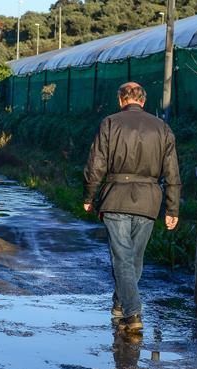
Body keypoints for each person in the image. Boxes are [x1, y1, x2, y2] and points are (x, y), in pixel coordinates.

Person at [83, 82, 181, 333]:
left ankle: (133, 311)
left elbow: (97, 164)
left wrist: (89, 195)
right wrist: (172, 208)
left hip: (116, 197)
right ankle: (120, 305)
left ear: (120, 100)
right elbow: (172, 172)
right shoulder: (163, 128)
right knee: (134, 259)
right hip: (149, 200)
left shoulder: (110, 123)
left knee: (123, 259)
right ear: (143, 101)